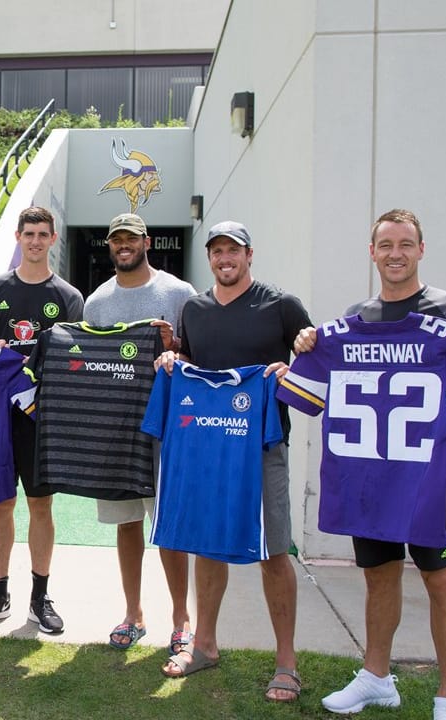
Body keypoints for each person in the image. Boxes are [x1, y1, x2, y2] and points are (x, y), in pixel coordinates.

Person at [296, 209, 446, 720]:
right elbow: (314, 390)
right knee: (379, 577)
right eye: (386, 244)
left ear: (421, 250)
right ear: (372, 252)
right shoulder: (355, 319)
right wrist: (308, 345)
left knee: (442, 579)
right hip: (370, 478)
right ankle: (376, 678)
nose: (396, 253)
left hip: (426, 481)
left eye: (406, 243)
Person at [155, 220, 311, 701]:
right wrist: (170, 360)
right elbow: (192, 363)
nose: (225, 259)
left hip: (263, 447)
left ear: (249, 255)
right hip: (208, 444)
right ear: (210, 257)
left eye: (234, 251)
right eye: (217, 251)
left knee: (274, 550)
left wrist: (292, 368)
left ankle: (287, 663)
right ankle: (204, 645)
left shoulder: (281, 305)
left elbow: (314, 364)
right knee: (206, 543)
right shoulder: (194, 310)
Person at [80, 213, 196, 654]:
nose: (124, 246)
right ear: (109, 246)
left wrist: (175, 349)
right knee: (125, 524)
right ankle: (134, 614)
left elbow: (198, 356)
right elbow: (88, 366)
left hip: (167, 430)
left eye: (131, 239)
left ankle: (181, 619)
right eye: (117, 240)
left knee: (167, 526)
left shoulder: (179, 293)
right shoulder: (97, 303)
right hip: (116, 433)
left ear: (147, 241)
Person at [0, 206, 83, 634]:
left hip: (41, 419)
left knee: (41, 505)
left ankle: (40, 596)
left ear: (53, 239)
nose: (35, 241)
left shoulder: (68, 297)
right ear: (17, 237)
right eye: (28, 233)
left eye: (42, 234)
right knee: (1, 504)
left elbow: (75, 363)